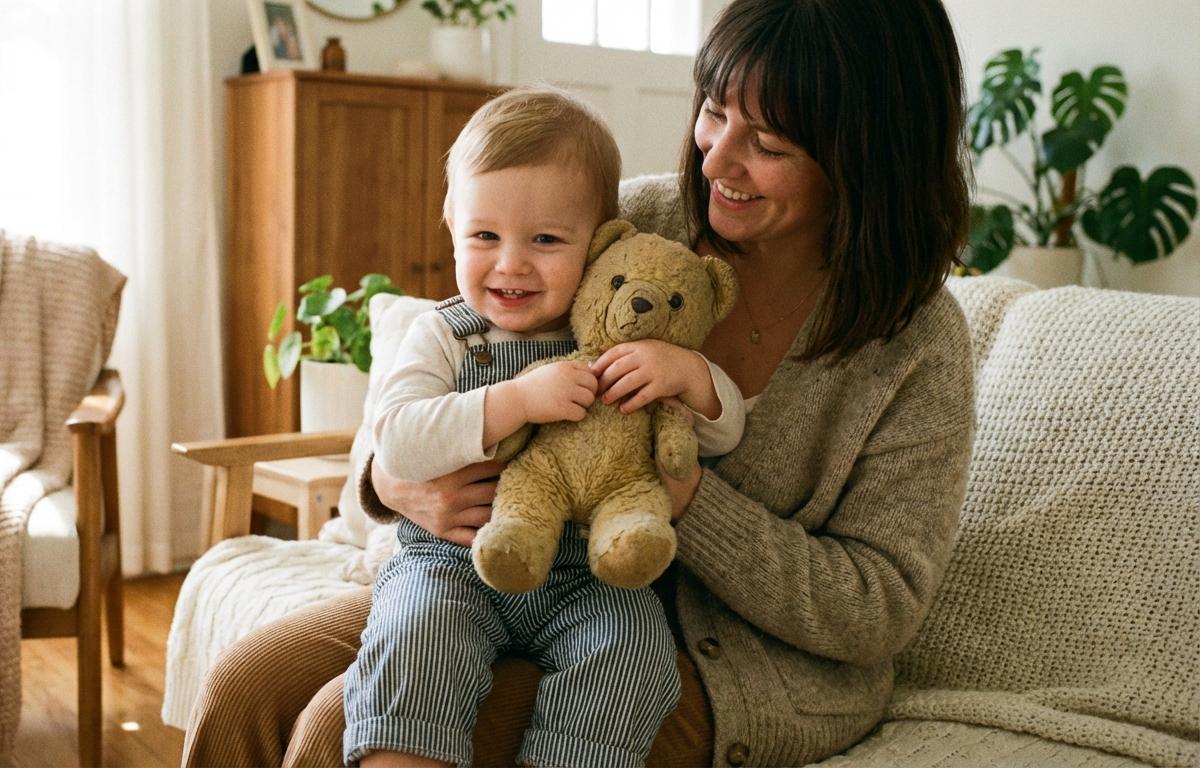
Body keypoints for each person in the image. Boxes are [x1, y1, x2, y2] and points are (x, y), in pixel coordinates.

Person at [182, 0, 975, 765]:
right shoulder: (634, 222)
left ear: (867, 153)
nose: (716, 157)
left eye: (767, 142)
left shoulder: (914, 343)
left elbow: (878, 608)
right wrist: (394, 484)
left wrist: (681, 498)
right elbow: (457, 350)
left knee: (336, 730)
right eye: (714, 110)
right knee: (245, 688)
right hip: (502, 568)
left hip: (705, 653)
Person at [350, 86, 746, 768]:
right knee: (413, 638)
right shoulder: (444, 336)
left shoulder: (617, 336)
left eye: (545, 240)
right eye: (484, 236)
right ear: (450, 224)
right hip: (449, 566)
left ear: (597, 245)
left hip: (584, 578)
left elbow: (723, 434)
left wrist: (686, 373)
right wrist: (518, 400)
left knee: (635, 654)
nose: (511, 263)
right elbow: (400, 440)